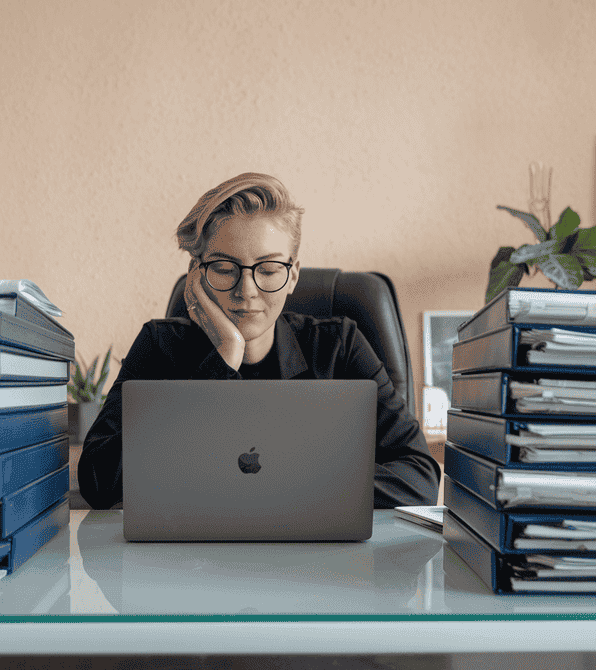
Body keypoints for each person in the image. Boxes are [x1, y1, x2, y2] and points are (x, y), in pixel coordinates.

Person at [78, 172, 440, 510]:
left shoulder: (338, 347)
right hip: (192, 565)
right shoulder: (159, 346)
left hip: (317, 567)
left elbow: (419, 475)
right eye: (223, 268)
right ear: (196, 275)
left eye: (268, 269)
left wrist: (281, 489)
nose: (246, 291)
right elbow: (98, 480)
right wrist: (221, 362)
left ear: (293, 274)